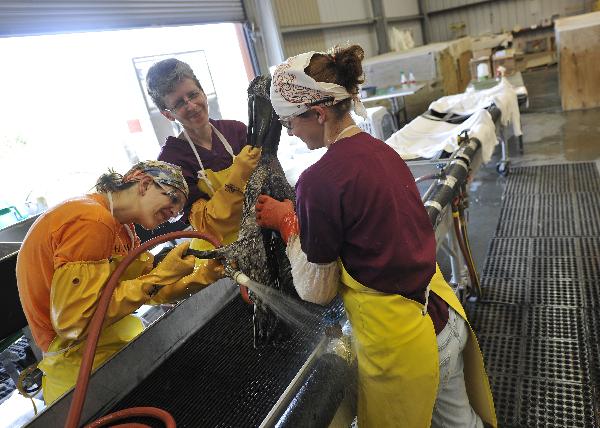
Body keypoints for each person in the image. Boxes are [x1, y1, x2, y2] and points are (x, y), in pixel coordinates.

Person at [255, 45, 497, 428]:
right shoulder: (383, 152)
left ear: (317, 113)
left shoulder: (317, 182)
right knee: (462, 423)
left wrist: (288, 223)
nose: (290, 134)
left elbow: (318, 291)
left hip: (403, 347)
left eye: (290, 124)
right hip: (445, 318)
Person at [16, 160, 224, 404]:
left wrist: (206, 275)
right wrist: (159, 276)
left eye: (178, 210)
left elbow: (152, 292)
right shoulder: (91, 220)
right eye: (173, 199)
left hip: (105, 354)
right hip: (80, 372)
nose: (173, 214)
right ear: (145, 184)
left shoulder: (122, 229)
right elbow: (75, 322)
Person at [146, 59, 260, 258]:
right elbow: (207, 224)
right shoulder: (170, 163)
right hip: (223, 252)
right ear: (168, 115)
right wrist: (239, 175)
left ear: (203, 92)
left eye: (193, 94)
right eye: (179, 103)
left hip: (263, 230)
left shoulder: (236, 131)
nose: (191, 106)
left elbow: (267, 186)